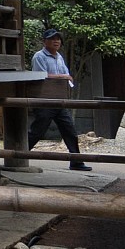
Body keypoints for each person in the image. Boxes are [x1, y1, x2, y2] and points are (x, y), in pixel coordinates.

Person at [26, 27, 88, 171]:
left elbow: (66, 74)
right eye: (52, 39)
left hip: (59, 100)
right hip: (44, 100)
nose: (56, 41)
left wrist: (65, 79)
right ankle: (16, 157)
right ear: (44, 41)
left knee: (70, 131)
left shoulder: (59, 56)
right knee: (37, 132)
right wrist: (62, 77)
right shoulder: (39, 56)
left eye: (58, 39)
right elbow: (40, 75)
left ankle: (76, 161)